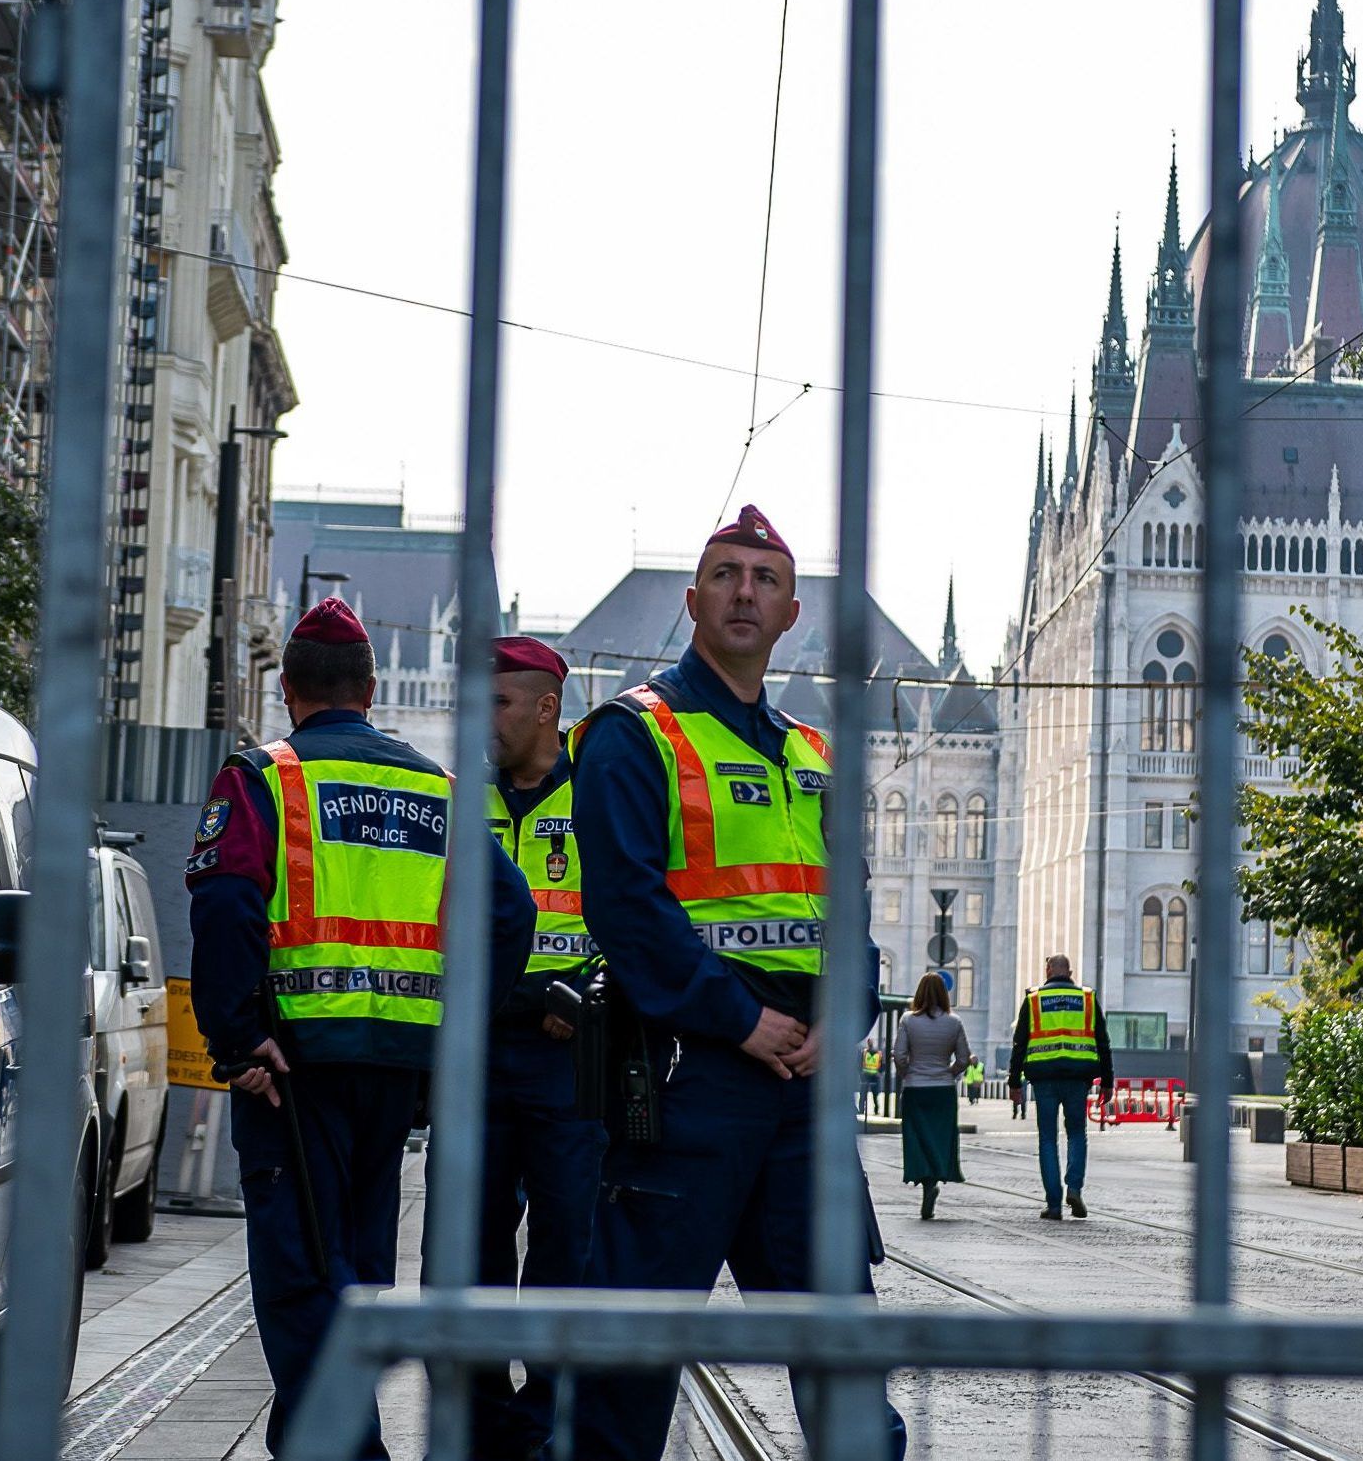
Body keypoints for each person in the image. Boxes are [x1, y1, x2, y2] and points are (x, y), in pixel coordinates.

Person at [555, 505, 907, 1460]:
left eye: (764, 577)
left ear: (792, 610)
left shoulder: (813, 755)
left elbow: (852, 913)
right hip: (685, 1081)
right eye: (725, 574)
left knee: (843, 1364)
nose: (744, 590)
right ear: (692, 601)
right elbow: (625, 908)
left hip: (803, 1092)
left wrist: (852, 1012)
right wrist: (738, 1018)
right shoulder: (636, 734)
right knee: (626, 1374)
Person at [186, 596, 536, 1459]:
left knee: (303, 1279)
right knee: (354, 1273)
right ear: (372, 689)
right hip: (395, 1074)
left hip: (292, 1069)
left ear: (286, 687)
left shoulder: (265, 777)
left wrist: (237, 1037)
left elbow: (226, 902)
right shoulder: (437, 787)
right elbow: (512, 914)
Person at [472, 635, 607, 1459]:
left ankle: (546, 1415)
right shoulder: (460, 800)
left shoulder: (597, 799)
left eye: (498, 703)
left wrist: (591, 993)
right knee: (472, 1238)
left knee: (569, 1239)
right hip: (479, 1055)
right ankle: (486, 1420)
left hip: (569, 1054)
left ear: (546, 708)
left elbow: (633, 912)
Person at [1007, 954, 1112, 1222]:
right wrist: (1108, 1082)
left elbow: (1020, 1043)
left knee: (1047, 1139)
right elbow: (1103, 1042)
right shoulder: (1087, 998)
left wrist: (1014, 1082)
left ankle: (1054, 1204)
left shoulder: (1034, 999)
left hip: (1044, 1079)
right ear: (1071, 972)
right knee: (1077, 1134)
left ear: (1048, 970)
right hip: (1078, 1078)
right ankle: (1074, 1188)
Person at [893, 972, 971, 1219]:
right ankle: (935, 1178)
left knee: (917, 1138)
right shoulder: (954, 1022)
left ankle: (927, 1183)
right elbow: (963, 1058)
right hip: (943, 1089)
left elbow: (899, 1055)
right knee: (940, 1136)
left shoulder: (908, 1020)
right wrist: (949, 1072)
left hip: (916, 1088)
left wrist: (907, 1073)